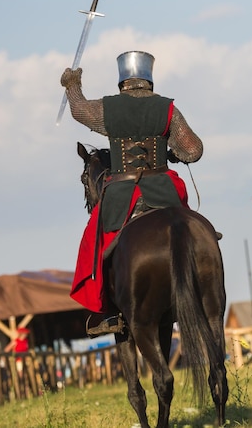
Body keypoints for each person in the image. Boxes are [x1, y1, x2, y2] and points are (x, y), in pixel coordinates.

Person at [60, 50, 203, 336]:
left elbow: (78, 110)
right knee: (191, 226)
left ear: (122, 81)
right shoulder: (168, 109)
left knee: (93, 241)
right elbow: (193, 150)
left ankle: (105, 311)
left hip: (122, 191)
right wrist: (172, 154)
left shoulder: (110, 108)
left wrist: (72, 85)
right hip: (163, 188)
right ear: (148, 79)